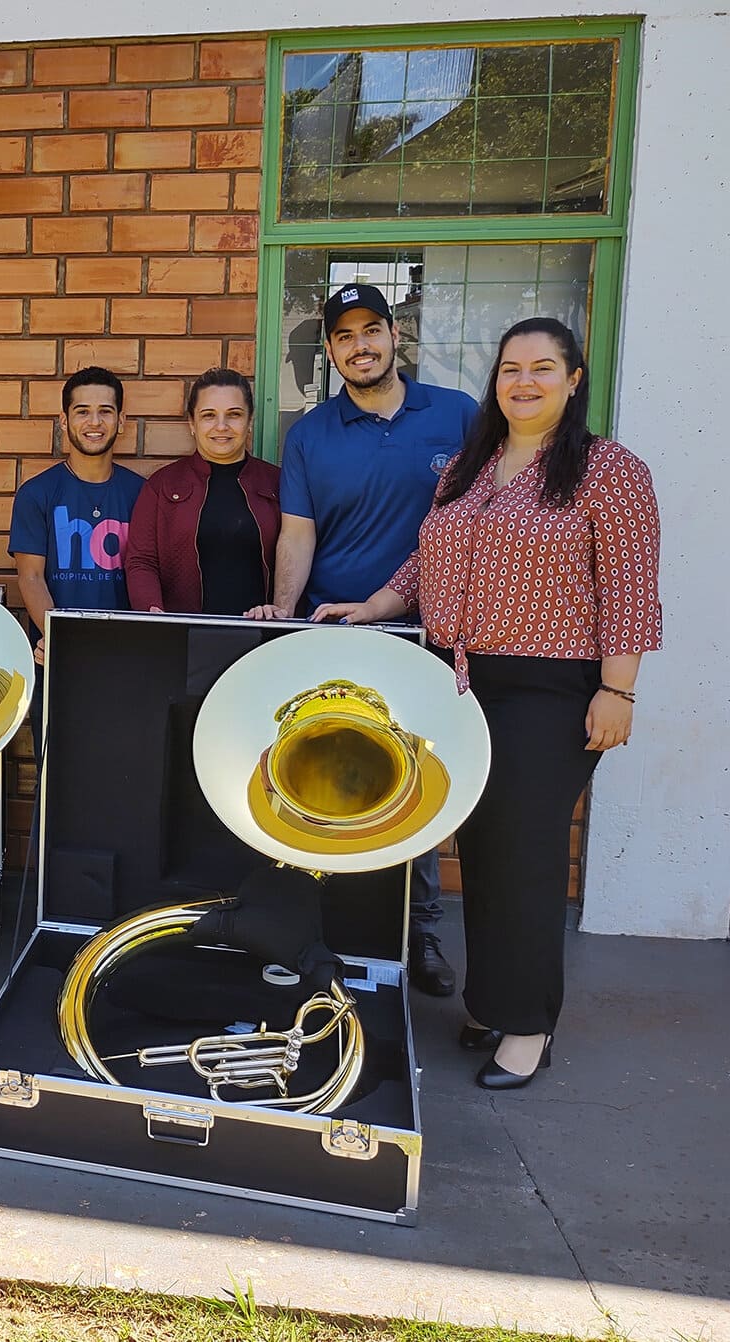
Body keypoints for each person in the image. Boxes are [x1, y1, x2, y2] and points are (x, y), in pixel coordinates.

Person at [312, 317, 662, 1090]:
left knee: (524, 855)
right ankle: (493, 1003)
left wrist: (618, 689)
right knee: (480, 850)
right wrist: (376, 605)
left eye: (543, 368)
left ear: (574, 380)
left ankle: (529, 1025)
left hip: (550, 686)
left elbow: (631, 588)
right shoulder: (472, 465)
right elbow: (425, 555)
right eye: (511, 369)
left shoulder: (608, 469)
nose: (524, 382)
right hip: (460, 680)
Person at [247, 284, 479, 998]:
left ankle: (419, 932)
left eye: (371, 330)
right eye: (344, 336)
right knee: (322, 779)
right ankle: (321, 931)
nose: (360, 346)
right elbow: (298, 533)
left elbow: (487, 518)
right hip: (334, 634)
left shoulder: (458, 415)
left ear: (394, 335)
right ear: (330, 349)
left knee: (417, 780)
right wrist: (286, 614)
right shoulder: (310, 434)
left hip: (428, 636)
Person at [8, 366, 144, 750]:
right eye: (82, 411)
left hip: (124, 661)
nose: (94, 422)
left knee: (124, 768)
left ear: (121, 421)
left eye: (105, 411)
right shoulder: (37, 493)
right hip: (58, 659)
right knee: (57, 774)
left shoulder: (141, 493)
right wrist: (61, 639)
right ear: (64, 421)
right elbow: (31, 577)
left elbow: (150, 574)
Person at [125, 368, 279, 615]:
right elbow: (141, 561)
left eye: (234, 415)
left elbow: (298, 554)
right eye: (209, 415)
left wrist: (281, 610)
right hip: (184, 633)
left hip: (263, 630)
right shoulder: (162, 485)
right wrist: (153, 614)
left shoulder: (277, 483)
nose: (221, 426)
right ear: (192, 423)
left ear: (250, 421)